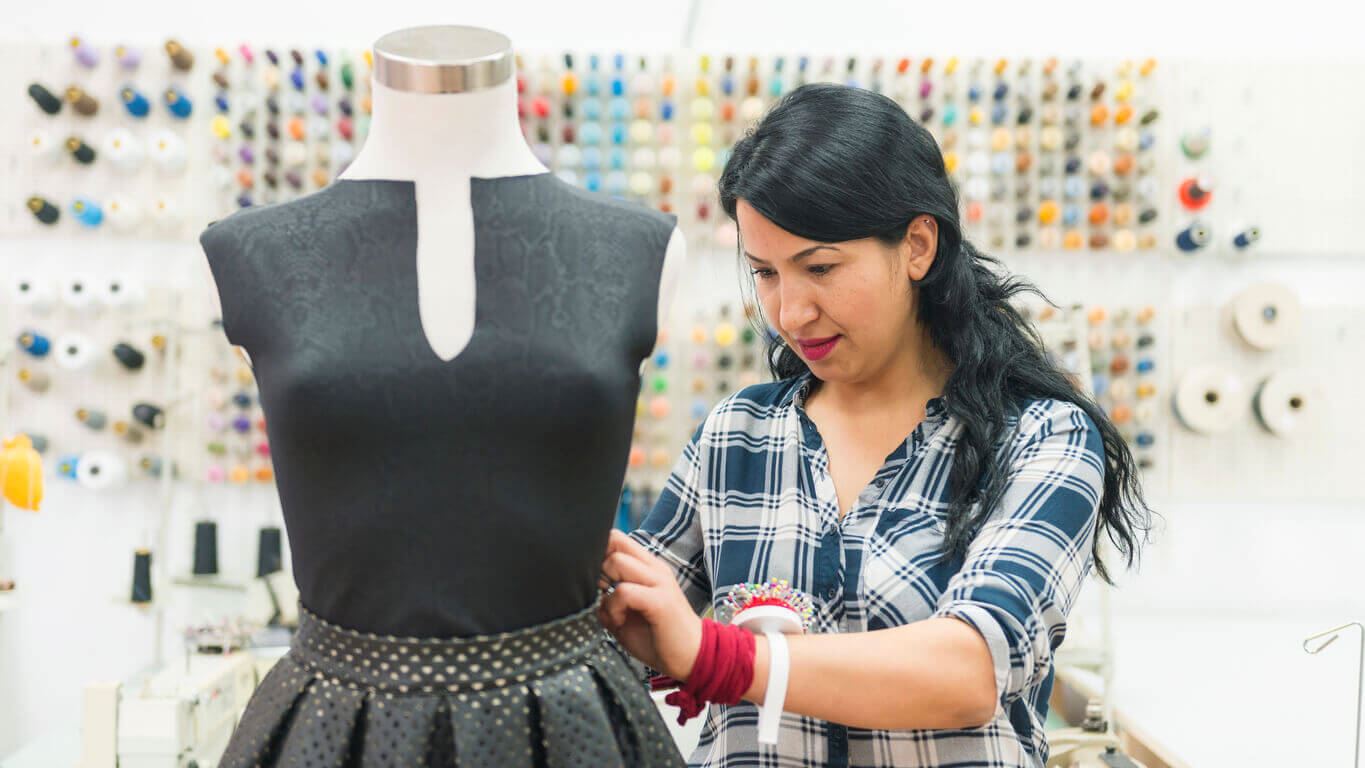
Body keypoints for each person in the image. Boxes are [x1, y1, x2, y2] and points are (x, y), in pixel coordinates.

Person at [597, 83, 1152, 767]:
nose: (789, 312)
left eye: (820, 267)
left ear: (917, 246)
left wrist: (722, 656)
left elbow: (966, 672)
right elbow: (626, 618)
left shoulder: (1041, 439)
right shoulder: (738, 435)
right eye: (764, 274)